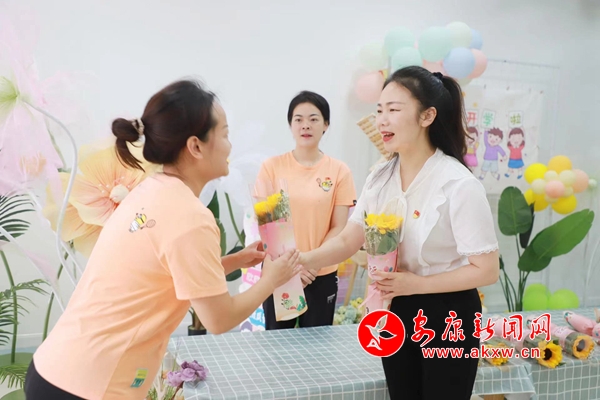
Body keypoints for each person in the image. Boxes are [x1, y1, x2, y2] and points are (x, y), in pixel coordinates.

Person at [25, 80, 301, 400]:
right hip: (90, 387)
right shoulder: (191, 218)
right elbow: (219, 318)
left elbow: (163, 272)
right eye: (225, 134)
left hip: (55, 369)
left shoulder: (150, 190)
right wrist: (271, 280)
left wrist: (234, 261)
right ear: (196, 146)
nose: (229, 145)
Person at [298, 67, 499, 400]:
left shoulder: (459, 184)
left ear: (427, 116)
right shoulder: (380, 177)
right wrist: (299, 260)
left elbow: (486, 270)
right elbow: (349, 239)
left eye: (393, 109)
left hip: (449, 314)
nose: (382, 120)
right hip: (396, 308)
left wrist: (417, 285)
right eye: (379, 110)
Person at [257, 90, 356, 330]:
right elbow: (266, 225)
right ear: (290, 125)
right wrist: (291, 269)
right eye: (298, 119)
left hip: (321, 273)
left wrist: (312, 264)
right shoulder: (271, 167)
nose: (305, 125)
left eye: (313, 119)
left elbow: (339, 227)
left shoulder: (339, 171)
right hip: (280, 271)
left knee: (317, 345)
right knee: (278, 344)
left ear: (326, 125)